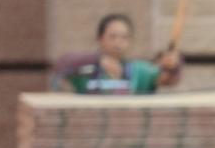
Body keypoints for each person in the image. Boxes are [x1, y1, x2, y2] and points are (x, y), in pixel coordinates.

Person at [52, 14, 182, 94]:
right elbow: (61, 64)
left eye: (124, 37)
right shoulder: (87, 68)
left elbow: (168, 79)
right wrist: (97, 59)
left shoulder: (138, 70)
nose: (118, 42)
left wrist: (173, 67)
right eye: (112, 36)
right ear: (100, 39)